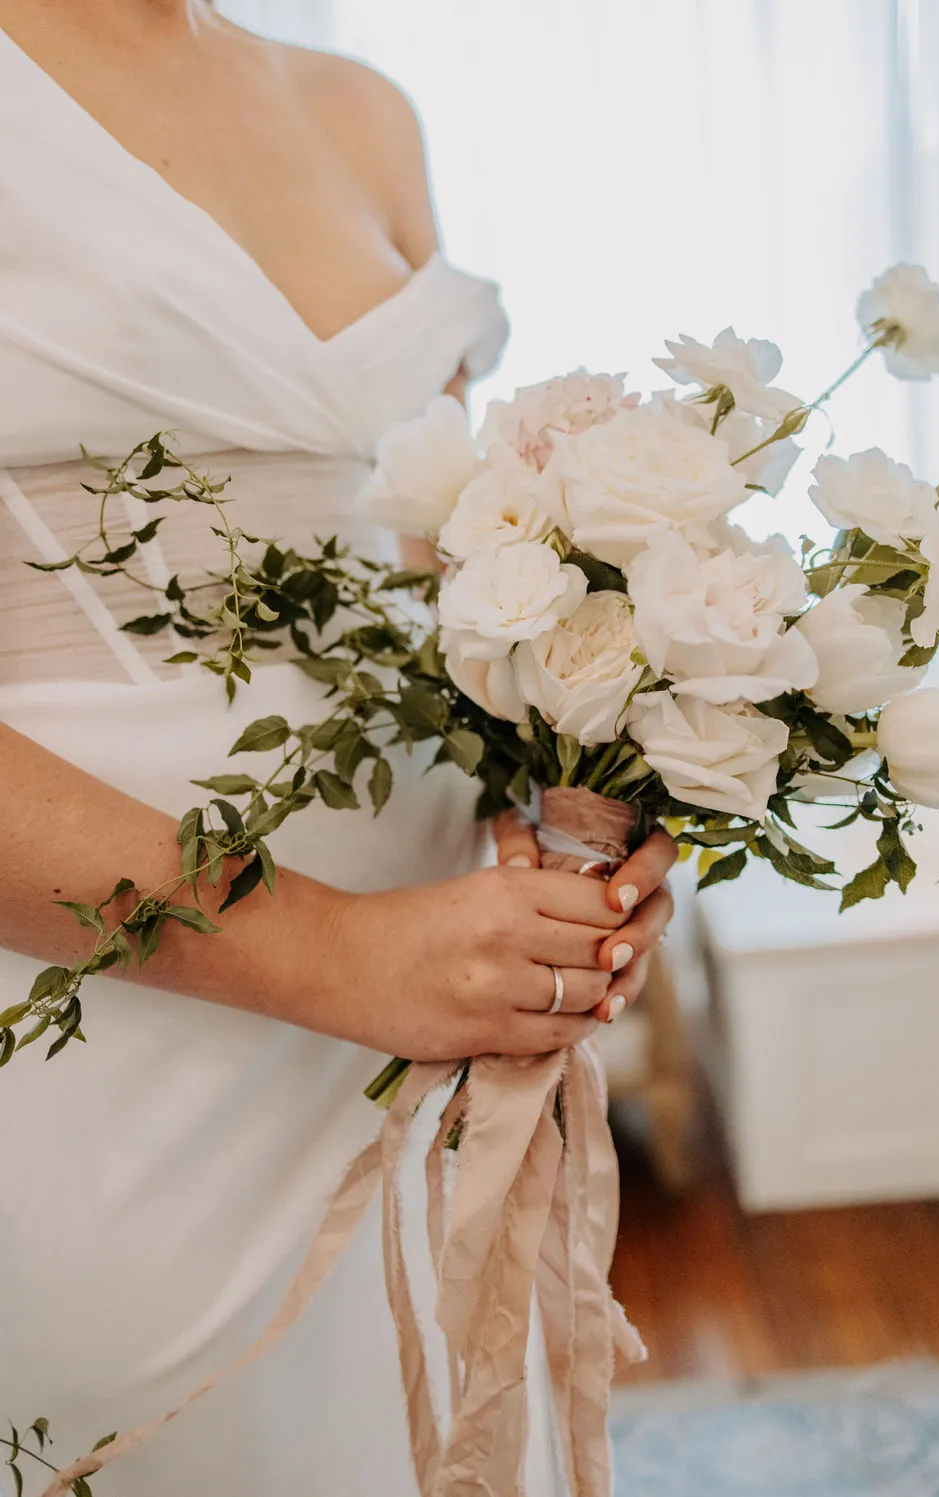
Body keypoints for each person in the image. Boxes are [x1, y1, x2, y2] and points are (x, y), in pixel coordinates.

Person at [0, 4, 675, 1493]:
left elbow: (444, 573)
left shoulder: (360, 109)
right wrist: (338, 956)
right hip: (108, 1032)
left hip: (436, 1031)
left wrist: (563, 824)